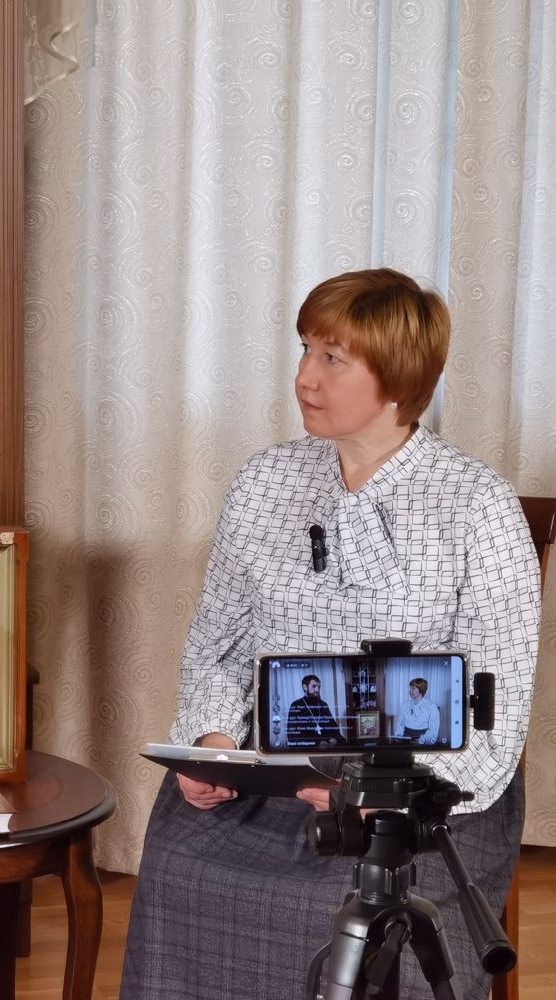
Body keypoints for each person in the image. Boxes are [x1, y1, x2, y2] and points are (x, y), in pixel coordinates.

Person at [121, 269, 540, 1000]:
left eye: (332, 358)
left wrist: (389, 791)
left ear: (396, 376)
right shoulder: (264, 481)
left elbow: (494, 703)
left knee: (343, 912)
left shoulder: (478, 505)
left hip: (414, 795)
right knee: (181, 864)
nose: (304, 377)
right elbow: (219, 641)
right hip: (276, 771)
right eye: (305, 350)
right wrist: (213, 743)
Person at [285, 674, 343, 747]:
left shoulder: (323, 705)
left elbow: (333, 727)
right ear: (305, 687)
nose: (317, 690)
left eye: (319, 687)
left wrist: (334, 739)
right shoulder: (296, 705)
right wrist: (317, 743)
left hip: (328, 747)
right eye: (314, 686)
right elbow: (293, 735)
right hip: (308, 749)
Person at [394, 677, 441, 745]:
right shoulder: (405, 705)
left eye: (413, 688)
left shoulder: (431, 706)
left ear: (421, 689)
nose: (410, 691)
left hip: (423, 740)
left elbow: (433, 730)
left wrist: (422, 739)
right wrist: (399, 736)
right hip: (406, 739)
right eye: (410, 688)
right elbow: (400, 723)